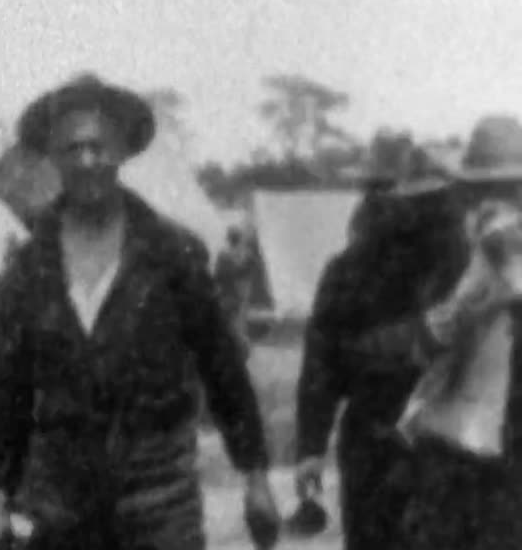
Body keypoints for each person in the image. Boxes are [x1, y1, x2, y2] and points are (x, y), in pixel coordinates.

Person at [0, 74, 278, 550]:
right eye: (72, 149)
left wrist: (255, 476)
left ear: (122, 152)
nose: (88, 161)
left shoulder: (172, 252)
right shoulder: (29, 267)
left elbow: (222, 370)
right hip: (60, 499)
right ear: (53, 158)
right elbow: (7, 390)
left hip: (159, 495)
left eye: (99, 146)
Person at [342, 115, 522, 550]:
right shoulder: (486, 249)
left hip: (469, 448)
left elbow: (444, 326)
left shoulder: (499, 239)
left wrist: (375, 350)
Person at [292, 136, 460, 550]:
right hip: (398, 435)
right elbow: (321, 359)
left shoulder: (455, 262)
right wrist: (310, 446)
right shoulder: (450, 259)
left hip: (426, 437)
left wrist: (310, 447)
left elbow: (321, 360)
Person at [213, 226, 255, 357]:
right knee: (239, 321)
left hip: (228, 291)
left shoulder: (223, 255)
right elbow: (250, 271)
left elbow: (218, 275)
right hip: (242, 291)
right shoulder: (247, 254)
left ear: (229, 239)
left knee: (229, 322)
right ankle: (241, 347)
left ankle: (238, 347)